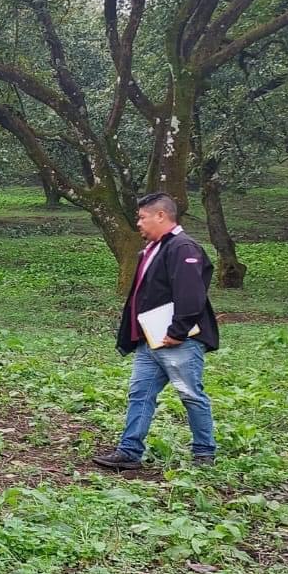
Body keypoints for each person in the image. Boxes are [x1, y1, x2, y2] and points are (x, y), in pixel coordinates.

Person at [92, 192, 220, 470]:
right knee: (140, 393)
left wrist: (178, 331)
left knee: (190, 394)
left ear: (161, 215)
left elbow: (191, 293)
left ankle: (204, 453)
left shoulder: (183, 248)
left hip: (178, 340)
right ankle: (129, 451)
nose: (138, 223)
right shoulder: (153, 249)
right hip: (149, 340)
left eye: (142, 217)